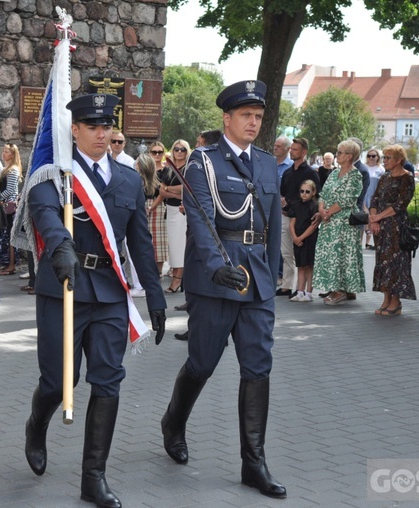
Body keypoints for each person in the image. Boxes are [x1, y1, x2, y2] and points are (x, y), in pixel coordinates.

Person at [21, 93, 166, 508]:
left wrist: (155, 299)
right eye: (94, 126)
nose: (103, 134)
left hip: (108, 292)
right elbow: (46, 213)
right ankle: (37, 424)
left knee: (107, 380)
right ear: (77, 130)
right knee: (59, 381)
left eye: (108, 127)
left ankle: (93, 477)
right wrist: (59, 246)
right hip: (63, 287)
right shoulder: (56, 176)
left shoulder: (127, 180)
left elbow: (139, 244)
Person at [160, 80, 285, 499]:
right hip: (216, 279)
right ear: (227, 119)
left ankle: (254, 463)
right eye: (246, 116)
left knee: (258, 367)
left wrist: (274, 273)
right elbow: (200, 216)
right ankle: (174, 422)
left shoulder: (267, 164)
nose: (253, 122)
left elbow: (271, 224)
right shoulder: (203, 162)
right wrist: (217, 267)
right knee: (203, 363)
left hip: (257, 280)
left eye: (259, 117)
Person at [312, 139, 366, 305]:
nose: (337, 155)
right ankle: (339, 289)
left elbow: (348, 199)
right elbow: (323, 193)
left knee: (343, 255)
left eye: (340, 152)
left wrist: (328, 213)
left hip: (344, 223)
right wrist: (321, 210)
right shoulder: (335, 173)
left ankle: (341, 291)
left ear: (349, 156)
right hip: (330, 222)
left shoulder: (355, 175)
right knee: (331, 256)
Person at [369, 144, 417, 316]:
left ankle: (396, 302)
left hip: (397, 226)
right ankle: (386, 298)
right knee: (382, 262)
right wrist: (374, 219)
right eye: (385, 157)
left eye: (388, 157)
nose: (385, 160)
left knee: (396, 264)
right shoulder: (384, 177)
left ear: (399, 160)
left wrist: (378, 217)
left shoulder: (407, 178)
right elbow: (374, 199)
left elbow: (400, 204)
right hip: (381, 227)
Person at [277, 137, 319, 297]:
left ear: (303, 152)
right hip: (287, 216)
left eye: (295, 149)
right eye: (291, 149)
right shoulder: (287, 172)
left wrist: (317, 214)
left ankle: (305, 291)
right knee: (286, 253)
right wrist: (282, 200)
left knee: (304, 258)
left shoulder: (310, 173)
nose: (291, 151)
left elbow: (318, 195)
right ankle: (287, 286)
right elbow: (283, 192)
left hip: (305, 221)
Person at [159, 139, 189, 293]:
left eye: (182, 149)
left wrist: (170, 189)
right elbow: (161, 191)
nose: (179, 152)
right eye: (176, 149)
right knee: (172, 246)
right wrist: (175, 191)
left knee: (179, 246)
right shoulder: (168, 168)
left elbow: (187, 188)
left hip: (181, 211)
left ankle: (178, 278)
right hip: (169, 210)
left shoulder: (188, 169)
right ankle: (177, 276)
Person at [289, 179, 319, 302]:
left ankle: (309, 293)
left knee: (309, 266)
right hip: (297, 238)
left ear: (313, 192)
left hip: (309, 239)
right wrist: (295, 237)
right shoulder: (296, 205)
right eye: (302, 191)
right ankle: (300, 292)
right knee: (300, 266)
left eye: (307, 191)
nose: (304, 194)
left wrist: (300, 238)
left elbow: (313, 225)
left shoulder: (314, 206)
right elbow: (291, 223)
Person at [0, 143, 22, 275]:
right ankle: (7, 264)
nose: (3, 153)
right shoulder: (7, 168)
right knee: (6, 236)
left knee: (10, 236)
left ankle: (11, 265)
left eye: (6, 152)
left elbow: (11, 189)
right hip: (5, 205)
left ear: (12, 154)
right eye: (3, 151)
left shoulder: (13, 170)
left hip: (10, 206)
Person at [147, 140, 168, 276]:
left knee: (158, 240)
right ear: (150, 153)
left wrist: (151, 208)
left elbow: (162, 192)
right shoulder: (144, 169)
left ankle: (159, 272)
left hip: (158, 205)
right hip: (143, 203)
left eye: (160, 152)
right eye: (154, 152)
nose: (157, 154)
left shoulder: (166, 170)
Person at [363, 148, 385, 250]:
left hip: (375, 197)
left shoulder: (381, 169)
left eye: (373, 156)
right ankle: (360, 243)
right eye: (369, 156)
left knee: (373, 218)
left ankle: (369, 243)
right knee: (362, 219)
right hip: (364, 195)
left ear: (377, 157)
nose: (371, 158)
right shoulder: (363, 167)